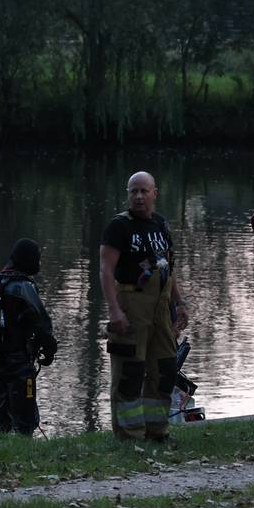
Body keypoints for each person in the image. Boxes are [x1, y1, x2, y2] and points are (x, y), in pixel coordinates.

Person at [100, 171, 189, 441]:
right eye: (133, 191)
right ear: (128, 194)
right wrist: (114, 311)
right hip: (131, 305)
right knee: (130, 373)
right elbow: (105, 270)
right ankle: (129, 435)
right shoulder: (119, 226)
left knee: (165, 370)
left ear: (154, 194)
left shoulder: (161, 225)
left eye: (143, 191)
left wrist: (180, 303)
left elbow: (168, 268)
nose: (138, 196)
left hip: (161, 309)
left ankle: (157, 431)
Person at [0, 238, 58, 436]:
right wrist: (50, 351)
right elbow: (43, 323)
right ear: (28, 259)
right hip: (19, 365)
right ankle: (23, 455)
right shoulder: (23, 286)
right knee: (24, 421)